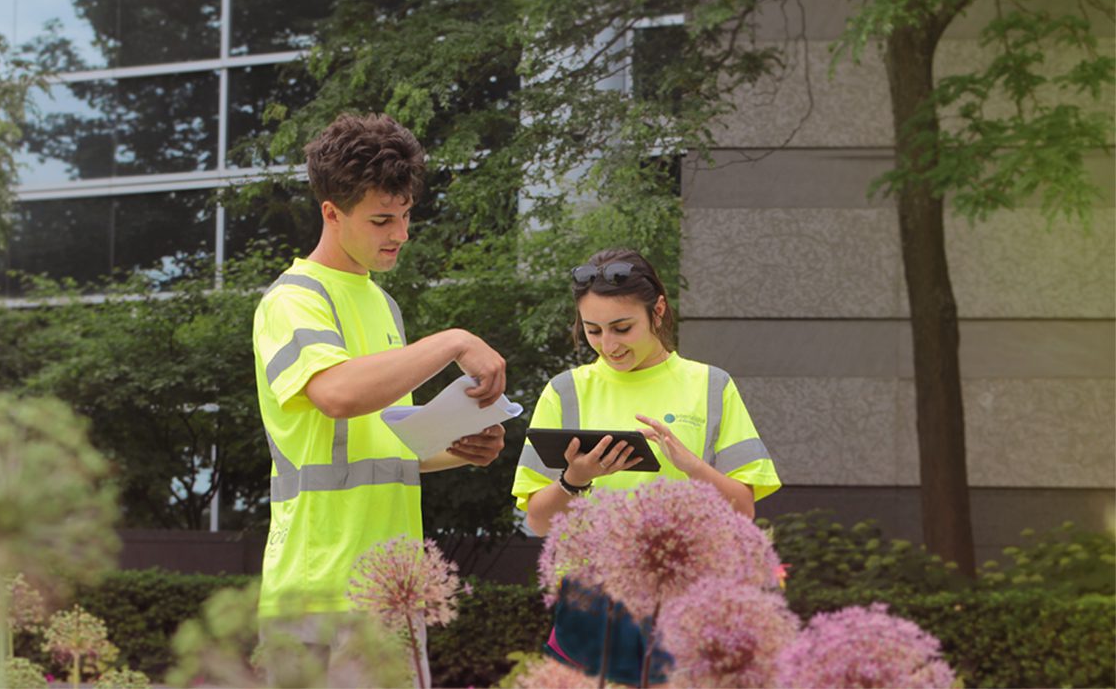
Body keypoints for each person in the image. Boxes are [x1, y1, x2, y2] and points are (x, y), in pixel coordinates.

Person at [253, 113, 507, 686]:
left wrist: (456, 447)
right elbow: (339, 394)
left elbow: (387, 444)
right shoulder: (294, 300)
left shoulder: (382, 305)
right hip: (317, 587)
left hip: (389, 586)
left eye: (407, 214)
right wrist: (452, 340)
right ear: (331, 213)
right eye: (381, 219)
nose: (401, 233)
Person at [511, 247, 781, 684]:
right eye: (593, 331)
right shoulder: (565, 393)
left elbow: (743, 511)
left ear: (658, 311)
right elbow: (538, 521)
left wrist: (691, 464)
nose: (609, 345)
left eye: (622, 328)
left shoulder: (711, 386)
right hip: (592, 607)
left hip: (690, 609)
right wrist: (575, 480)